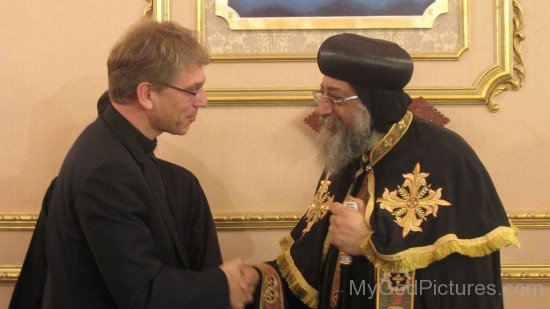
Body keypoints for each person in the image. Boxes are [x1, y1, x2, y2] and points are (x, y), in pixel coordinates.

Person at [249, 33, 519, 308]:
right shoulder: (347, 155)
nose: (321, 109)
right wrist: (254, 280)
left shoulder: (446, 157)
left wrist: (369, 244)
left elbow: (465, 286)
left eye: (335, 97)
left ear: (372, 100)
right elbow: (311, 268)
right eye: (322, 93)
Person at [36, 20, 256, 308]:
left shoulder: (115, 146)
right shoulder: (108, 172)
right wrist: (222, 284)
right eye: (193, 90)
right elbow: (142, 293)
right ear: (146, 94)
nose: (202, 101)